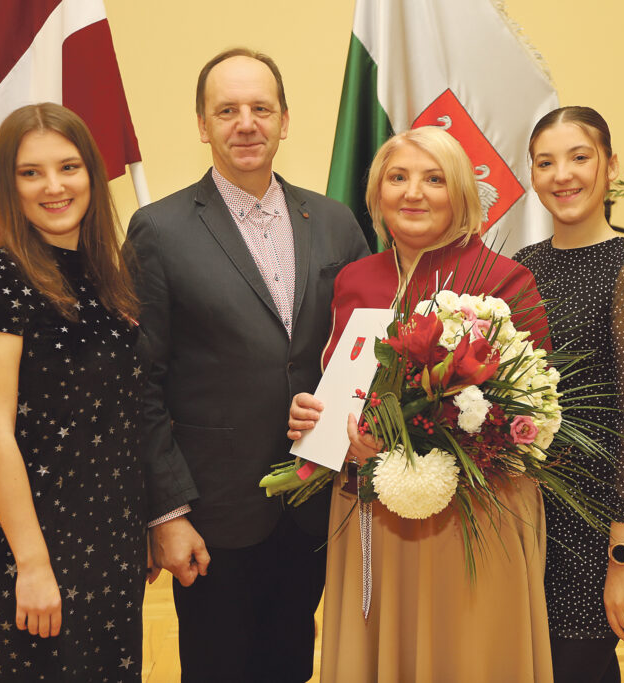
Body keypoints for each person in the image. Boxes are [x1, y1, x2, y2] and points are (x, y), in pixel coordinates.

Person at [127, 48, 370, 682]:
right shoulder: (159, 230)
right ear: (202, 125)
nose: (246, 123)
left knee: (291, 664)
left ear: (285, 120)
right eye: (227, 110)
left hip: (316, 502)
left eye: (261, 108)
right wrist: (167, 514)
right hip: (214, 512)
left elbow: (365, 348)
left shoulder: (335, 221)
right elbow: (141, 385)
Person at [288, 126, 555, 683]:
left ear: (461, 194)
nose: (413, 192)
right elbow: (338, 383)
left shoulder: (506, 280)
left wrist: (416, 441)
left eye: (434, 179)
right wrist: (317, 420)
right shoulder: (354, 280)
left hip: (473, 520)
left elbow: (527, 416)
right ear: (376, 193)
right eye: (398, 177)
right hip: (369, 511)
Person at [0, 102, 149, 680]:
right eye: (31, 172)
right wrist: (33, 565)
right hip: (34, 550)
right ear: (9, 185)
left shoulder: (107, 275)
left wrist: (137, 526)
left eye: (68, 167)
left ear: (91, 172)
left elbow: (120, 415)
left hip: (110, 542)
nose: (54, 186)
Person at [514, 105, 624, 683]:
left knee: (575, 667)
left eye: (579, 158)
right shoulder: (523, 268)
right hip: (529, 516)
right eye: (545, 162)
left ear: (610, 165)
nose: (563, 175)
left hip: (596, 525)